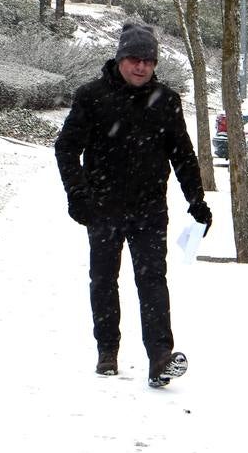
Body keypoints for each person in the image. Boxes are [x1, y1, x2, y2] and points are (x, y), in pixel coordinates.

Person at [55, 21, 212, 388]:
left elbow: (183, 155)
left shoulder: (166, 101)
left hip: (149, 210)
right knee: (104, 280)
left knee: (152, 280)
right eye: (134, 59)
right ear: (120, 58)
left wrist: (197, 199)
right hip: (103, 206)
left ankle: (160, 357)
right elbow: (66, 148)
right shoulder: (91, 96)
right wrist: (77, 194)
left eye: (148, 61)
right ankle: (107, 349)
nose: (141, 67)